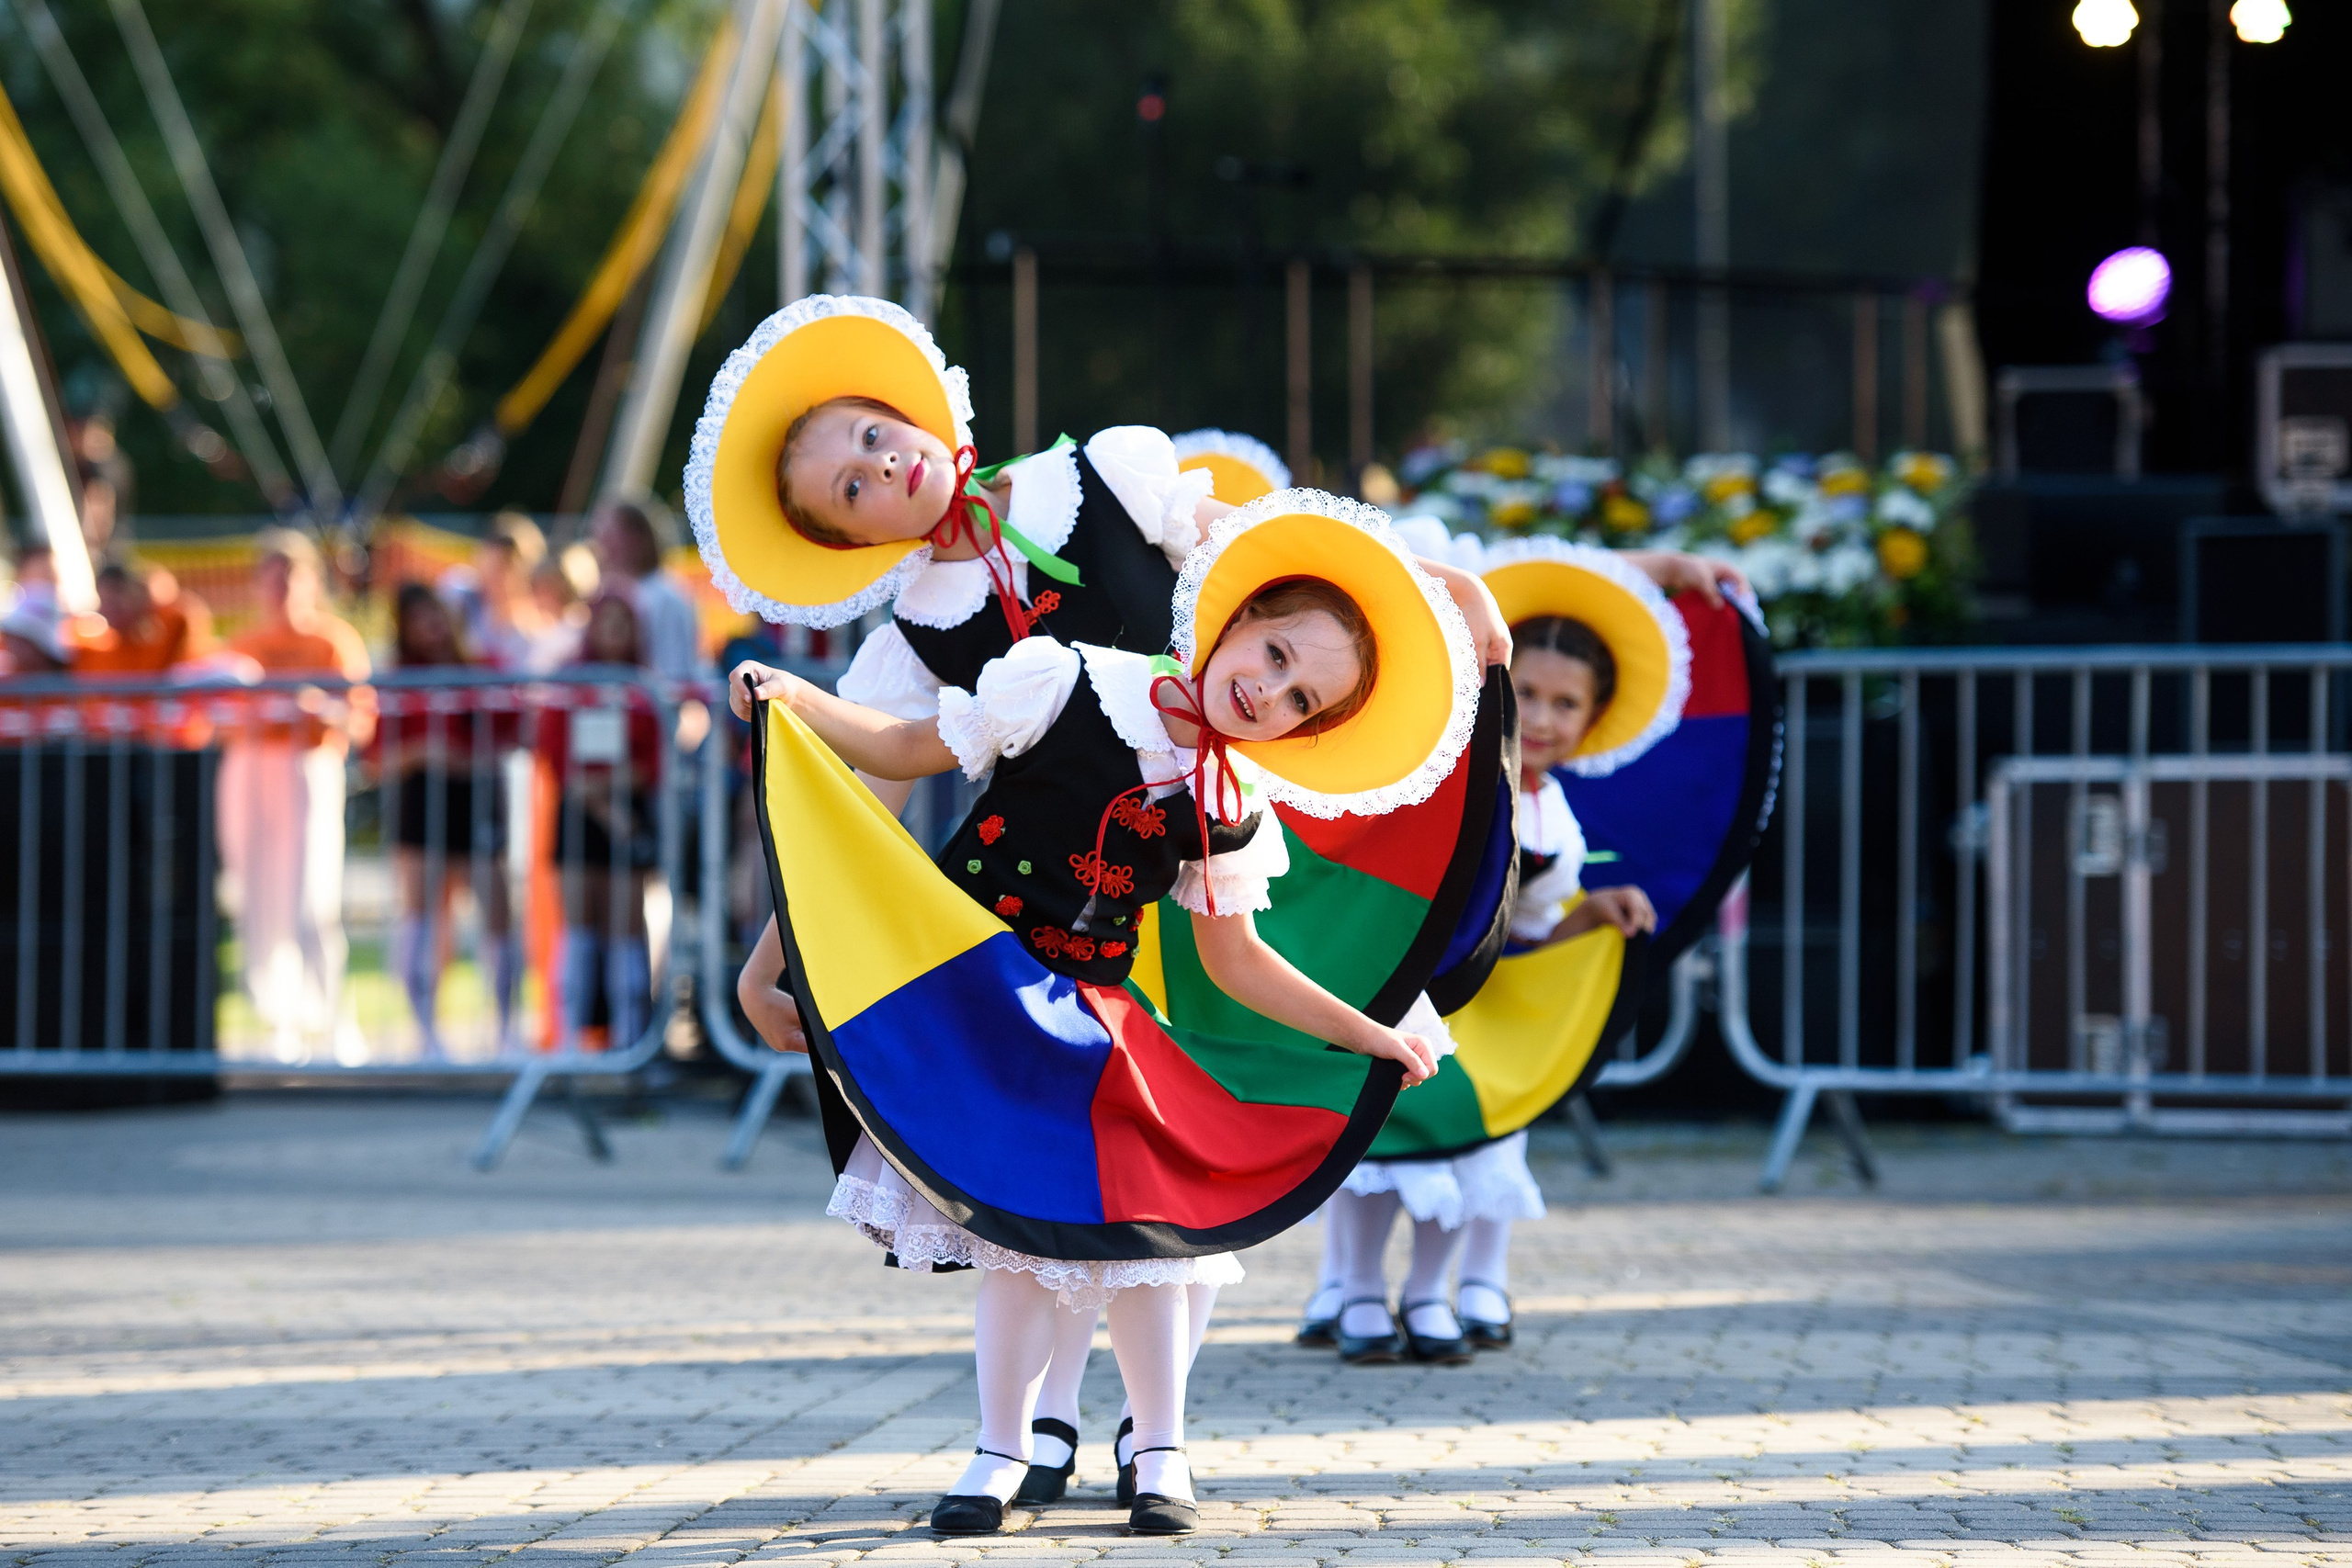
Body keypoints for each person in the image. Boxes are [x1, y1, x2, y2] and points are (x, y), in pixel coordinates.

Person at [731, 492, 1481, 1539]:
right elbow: (904, 749)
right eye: (1271, 654)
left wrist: (1369, 1032)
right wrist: (797, 701)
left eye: (1300, 698)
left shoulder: (1226, 802)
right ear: (1232, 615)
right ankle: (999, 1451)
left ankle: (1161, 1451)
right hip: (981, 993)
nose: (1268, 690)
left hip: (1090, 1024)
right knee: (1010, 1240)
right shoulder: (1064, 675)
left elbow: (1237, 962)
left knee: (1147, 1237)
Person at [1298, 535, 1745, 1360]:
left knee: (1471, 1144)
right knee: (1380, 1143)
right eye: (1525, 693)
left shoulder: (1557, 818)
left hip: (1486, 1010)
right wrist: (1666, 567)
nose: (1539, 717)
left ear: (1595, 716)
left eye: (1564, 704)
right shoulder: (1447, 772)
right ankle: (1356, 1288)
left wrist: (1592, 915)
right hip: (1405, 990)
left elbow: (1531, 922)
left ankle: (1432, 1293)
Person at [220, 528, 373, 1061]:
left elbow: (359, 717)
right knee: (257, 894)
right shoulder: (241, 644)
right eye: (272, 574)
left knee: (311, 895)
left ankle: (329, 1017)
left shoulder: (333, 641)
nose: (281, 586)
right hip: (251, 767)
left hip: (309, 767)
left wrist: (315, 708)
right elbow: (217, 713)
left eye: (291, 574)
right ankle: (274, 1018)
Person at [371, 582, 519, 1057]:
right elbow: (375, 757)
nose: (429, 627)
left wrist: (467, 759)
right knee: (421, 913)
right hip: (421, 799)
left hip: (477, 799)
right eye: (417, 619)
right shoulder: (398, 677)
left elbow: (516, 733)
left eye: (434, 614)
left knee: (497, 910)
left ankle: (506, 1028)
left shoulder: (484, 669)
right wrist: (421, 753)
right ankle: (426, 1031)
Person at [537, 590, 663, 1050]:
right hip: (578, 815)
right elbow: (553, 751)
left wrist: (612, 792)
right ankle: (569, 1040)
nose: (613, 632)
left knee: (625, 927)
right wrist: (595, 800)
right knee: (579, 927)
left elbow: (654, 757)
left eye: (622, 622)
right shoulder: (571, 680)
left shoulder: (645, 685)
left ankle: (628, 1038)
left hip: (629, 814)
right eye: (604, 622)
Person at [591, 499, 704, 682]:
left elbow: (673, 671)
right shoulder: (608, 591)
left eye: (609, 535)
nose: (600, 543)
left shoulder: (666, 596)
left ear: (635, 538)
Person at [440, 511, 548, 671]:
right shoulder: (459, 594)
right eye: (491, 563)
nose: (495, 575)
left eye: (504, 566)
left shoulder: (535, 630)